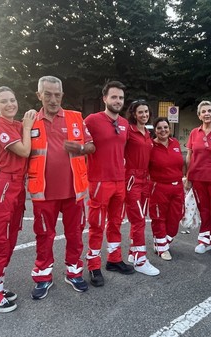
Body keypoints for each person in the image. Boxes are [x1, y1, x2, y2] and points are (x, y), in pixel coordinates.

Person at [27, 76, 94, 299]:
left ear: (62, 95)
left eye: (57, 94)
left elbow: (92, 146)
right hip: (43, 193)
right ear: (39, 95)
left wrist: (82, 147)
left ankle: (74, 273)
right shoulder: (29, 121)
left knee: (75, 234)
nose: (53, 99)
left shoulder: (76, 118)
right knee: (44, 235)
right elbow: (17, 152)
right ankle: (43, 277)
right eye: (48, 94)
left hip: (74, 191)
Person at [0, 87, 36, 312]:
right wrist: (28, 125)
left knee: (10, 239)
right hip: (3, 186)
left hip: (16, 186)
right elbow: (23, 151)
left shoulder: (15, 125)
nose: (10, 104)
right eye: (4, 101)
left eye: (12, 100)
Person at [84, 81, 134, 286]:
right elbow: (80, 144)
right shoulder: (92, 120)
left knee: (115, 223)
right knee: (96, 225)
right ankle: (94, 266)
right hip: (99, 181)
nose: (117, 101)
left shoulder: (124, 123)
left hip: (119, 181)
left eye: (121, 98)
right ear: (104, 98)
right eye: (113, 97)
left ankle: (114, 260)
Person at [184, 101, 211, 261]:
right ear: (199, 115)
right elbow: (189, 157)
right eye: (203, 111)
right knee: (204, 211)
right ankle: (204, 240)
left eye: (210, 111)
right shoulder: (194, 133)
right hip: (197, 179)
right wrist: (188, 177)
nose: (207, 114)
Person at [124, 99, 160, 276]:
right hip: (131, 179)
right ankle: (140, 260)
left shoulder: (147, 133)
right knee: (137, 219)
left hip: (146, 179)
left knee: (140, 218)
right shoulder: (128, 131)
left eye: (146, 112)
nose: (144, 115)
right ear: (134, 114)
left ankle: (133, 252)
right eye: (140, 112)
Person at [149, 117, 186, 261]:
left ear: (169, 129)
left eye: (165, 127)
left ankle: (162, 241)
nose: (163, 130)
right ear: (155, 131)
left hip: (177, 186)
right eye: (159, 128)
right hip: (159, 187)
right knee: (159, 218)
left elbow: (181, 163)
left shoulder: (175, 143)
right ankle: (162, 248)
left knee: (176, 216)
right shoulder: (151, 146)